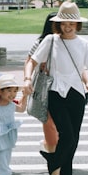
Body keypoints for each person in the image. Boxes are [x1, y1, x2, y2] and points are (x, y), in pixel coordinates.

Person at [23, 1, 88, 175]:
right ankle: (55, 169)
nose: (68, 27)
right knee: (67, 135)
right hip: (56, 92)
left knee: (73, 139)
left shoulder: (84, 44)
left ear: (77, 25)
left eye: (72, 24)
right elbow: (31, 62)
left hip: (77, 94)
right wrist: (26, 79)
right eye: (64, 23)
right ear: (58, 24)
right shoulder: (50, 40)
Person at [28, 13, 59, 159]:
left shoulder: (67, 41)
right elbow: (29, 61)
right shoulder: (41, 41)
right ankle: (52, 149)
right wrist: (27, 79)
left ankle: (51, 146)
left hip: (62, 85)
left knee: (59, 122)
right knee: (48, 119)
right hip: (44, 85)